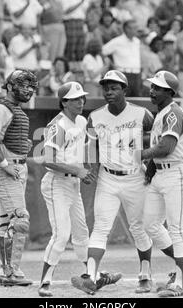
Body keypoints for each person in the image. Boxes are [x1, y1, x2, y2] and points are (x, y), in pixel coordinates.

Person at [71, 70, 154, 295]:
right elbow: (91, 148)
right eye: (106, 87)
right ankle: (90, 276)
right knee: (100, 227)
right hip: (108, 178)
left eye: (114, 87)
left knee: (138, 227)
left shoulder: (142, 113)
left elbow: (155, 139)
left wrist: (151, 167)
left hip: (135, 176)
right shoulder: (95, 116)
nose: (109, 91)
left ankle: (145, 274)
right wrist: (92, 168)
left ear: (125, 90)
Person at [133, 70, 183, 297]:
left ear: (169, 92)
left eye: (157, 88)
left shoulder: (173, 114)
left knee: (177, 228)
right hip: (162, 173)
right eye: (152, 86)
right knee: (150, 224)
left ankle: (182, 284)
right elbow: (159, 152)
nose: (152, 90)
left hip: (178, 172)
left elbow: (166, 148)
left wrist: (139, 155)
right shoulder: (160, 113)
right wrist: (150, 169)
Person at [38, 82, 96, 297]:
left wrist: (84, 169)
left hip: (73, 183)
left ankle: (88, 277)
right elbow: (48, 160)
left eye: (82, 98)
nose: (81, 102)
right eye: (75, 99)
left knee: (82, 233)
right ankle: (45, 282)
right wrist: (77, 170)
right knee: (62, 235)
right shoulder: (58, 125)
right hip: (56, 182)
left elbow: (80, 151)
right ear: (64, 102)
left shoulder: (81, 121)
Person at [0, 70, 38, 287]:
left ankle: (7, 271)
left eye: (31, 86)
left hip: (16, 167)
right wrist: (4, 164)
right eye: (23, 85)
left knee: (7, 223)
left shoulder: (15, 109)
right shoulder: (0, 108)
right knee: (20, 220)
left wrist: (23, 147)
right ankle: (11, 271)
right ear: (10, 86)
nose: (28, 89)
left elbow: (4, 138)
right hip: (8, 169)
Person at [102, 20, 142, 97]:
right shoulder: (117, 41)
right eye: (134, 28)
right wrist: (109, 62)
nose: (136, 30)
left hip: (137, 74)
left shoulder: (137, 41)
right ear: (127, 29)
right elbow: (103, 51)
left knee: (137, 100)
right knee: (123, 99)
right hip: (123, 74)